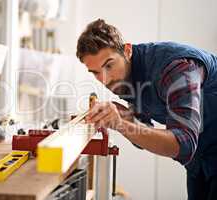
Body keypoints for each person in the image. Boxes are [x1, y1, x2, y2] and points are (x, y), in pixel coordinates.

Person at [76, 19, 217, 200]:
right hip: (200, 161)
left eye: (109, 65)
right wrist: (127, 118)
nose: (104, 79)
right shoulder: (124, 77)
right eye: (95, 72)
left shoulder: (177, 69)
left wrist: (123, 124)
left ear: (127, 51)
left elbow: (184, 145)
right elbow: (143, 130)